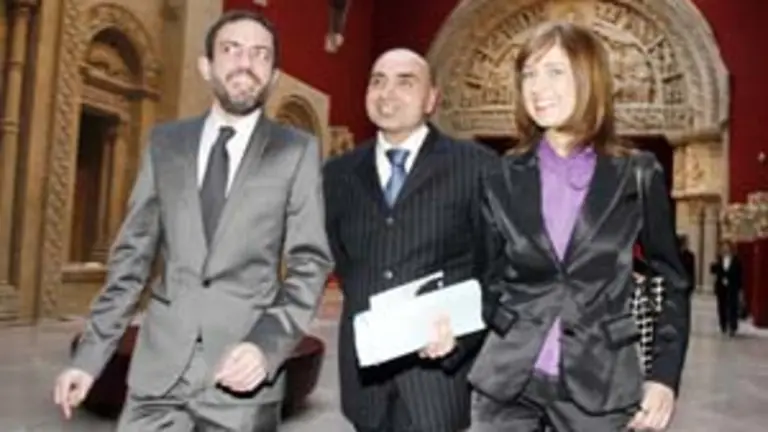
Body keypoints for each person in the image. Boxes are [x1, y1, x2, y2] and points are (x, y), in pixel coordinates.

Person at [52, 10, 333, 431]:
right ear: (206, 66)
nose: (245, 63)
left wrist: (266, 347)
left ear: (273, 77)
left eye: (260, 55)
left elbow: (309, 264)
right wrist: (90, 357)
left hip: (242, 379)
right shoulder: (167, 143)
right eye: (231, 50)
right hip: (157, 379)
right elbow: (131, 260)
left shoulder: (295, 151)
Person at [468, 21, 691, 431]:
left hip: (600, 385)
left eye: (554, 71)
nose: (537, 86)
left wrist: (663, 375)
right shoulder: (501, 176)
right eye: (529, 74)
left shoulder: (636, 174)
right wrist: (453, 335)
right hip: (507, 384)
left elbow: (670, 281)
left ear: (589, 77)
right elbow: (488, 280)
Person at [323, 48, 497, 432]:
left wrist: (462, 338)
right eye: (378, 81)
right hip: (365, 377)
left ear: (431, 98)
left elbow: (496, 269)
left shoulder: (477, 167)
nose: (388, 93)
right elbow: (343, 260)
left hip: (437, 376)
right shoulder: (336, 174)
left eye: (406, 82)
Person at [710, 240, 742, 336]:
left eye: (727, 247)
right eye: (723, 248)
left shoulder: (736, 260)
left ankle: (732, 326)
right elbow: (713, 271)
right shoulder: (719, 259)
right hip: (721, 286)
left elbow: (739, 274)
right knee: (722, 306)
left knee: (732, 306)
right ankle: (723, 324)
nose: (725, 249)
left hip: (733, 286)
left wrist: (740, 288)